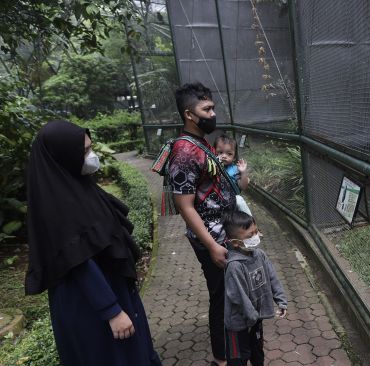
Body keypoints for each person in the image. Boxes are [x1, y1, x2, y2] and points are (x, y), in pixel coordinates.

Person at [25, 120, 161, 365]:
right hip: (90, 306)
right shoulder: (56, 207)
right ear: (64, 157)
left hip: (114, 290)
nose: (92, 156)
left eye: (90, 148)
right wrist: (111, 310)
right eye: (85, 152)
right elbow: (78, 261)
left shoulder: (80, 188)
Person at [167, 82, 237, 366]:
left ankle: (231, 345)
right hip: (211, 238)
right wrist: (211, 245)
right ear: (189, 114)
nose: (212, 114)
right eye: (206, 109)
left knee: (227, 293)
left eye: (213, 108)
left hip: (222, 231)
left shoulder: (200, 142)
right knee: (220, 297)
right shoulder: (184, 151)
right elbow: (184, 206)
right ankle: (221, 359)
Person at [222, 210, 287, 366]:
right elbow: (239, 297)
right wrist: (252, 318)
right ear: (235, 242)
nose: (255, 237)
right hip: (238, 325)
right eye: (249, 236)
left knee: (257, 353)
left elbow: (272, 278)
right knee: (238, 359)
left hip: (255, 319)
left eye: (256, 232)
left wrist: (281, 300)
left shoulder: (260, 255)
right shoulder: (235, 267)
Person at [214, 134, 252, 216]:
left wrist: (243, 172)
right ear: (214, 152)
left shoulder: (235, 170)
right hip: (217, 202)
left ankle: (251, 224)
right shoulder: (211, 167)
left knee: (239, 200)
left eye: (229, 154)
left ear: (234, 157)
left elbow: (243, 186)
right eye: (220, 152)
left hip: (232, 201)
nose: (224, 156)